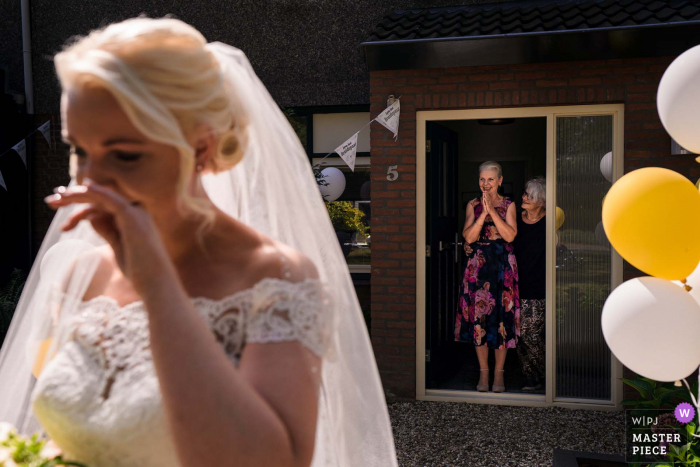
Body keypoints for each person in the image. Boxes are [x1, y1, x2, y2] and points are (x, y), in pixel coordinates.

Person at [0, 17, 397, 467]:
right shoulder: (79, 270)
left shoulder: (275, 280)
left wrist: (157, 287)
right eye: (80, 150)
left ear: (202, 148)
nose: (91, 180)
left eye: (125, 154)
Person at [457, 161, 519, 393]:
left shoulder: (509, 205)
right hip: (478, 268)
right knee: (479, 320)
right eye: (482, 179)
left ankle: (499, 375)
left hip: (503, 267)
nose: (486, 184)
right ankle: (484, 373)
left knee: (501, 319)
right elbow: (469, 237)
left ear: (500, 181)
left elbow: (510, 235)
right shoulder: (472, 205)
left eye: (491, 179)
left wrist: (493, 210)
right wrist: (482, 214)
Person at [512, 177, 546, 391]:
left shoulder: (549, 222)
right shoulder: (515, 219)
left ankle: (541, 373)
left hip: (538, 285)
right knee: (517, 334)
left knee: (530, 333)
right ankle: (530, 377)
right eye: (525, 193)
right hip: (514, 284)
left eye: (530, 196)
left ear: (541, 201)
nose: (524, 197)